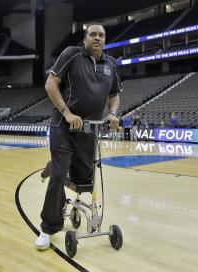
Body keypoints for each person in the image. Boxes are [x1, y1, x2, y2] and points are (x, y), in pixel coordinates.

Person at [35, 23, 122, 250]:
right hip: (63, 126)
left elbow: (114, 95)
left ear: (105, 40)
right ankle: (48, 228)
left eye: (101, 35)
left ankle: (51, 166)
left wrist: (112, 113)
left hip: (89, 130)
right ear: (85, 39)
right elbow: (50, 84)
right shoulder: (72, 55)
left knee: (83, 179)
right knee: (60, 174)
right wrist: (67, 112)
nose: (97, 38)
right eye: (92, 34)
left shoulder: (111, 65)